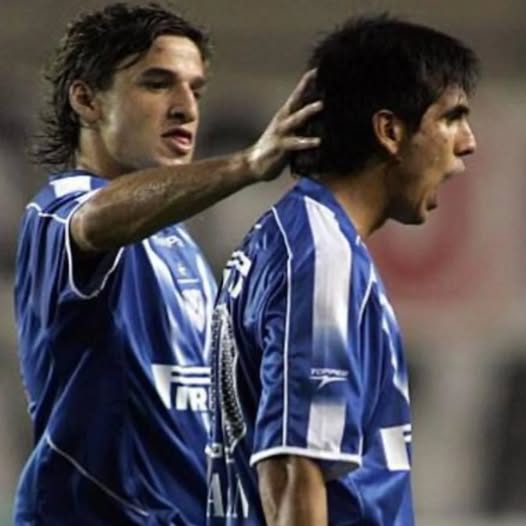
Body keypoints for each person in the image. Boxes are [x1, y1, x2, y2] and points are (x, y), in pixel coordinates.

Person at [13, 3, 321, 525]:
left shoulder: (177, 242)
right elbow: (95, 220)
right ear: (86, 99)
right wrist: (247, 165)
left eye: (195, 90)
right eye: (157, 84)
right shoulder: (59, 211)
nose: (186, 108)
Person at [207, 14, 479, 526]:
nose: (467, 143)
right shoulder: (320, 256)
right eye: (451, 118)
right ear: (390, 131)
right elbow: (295, 471)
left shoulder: (292, 239)